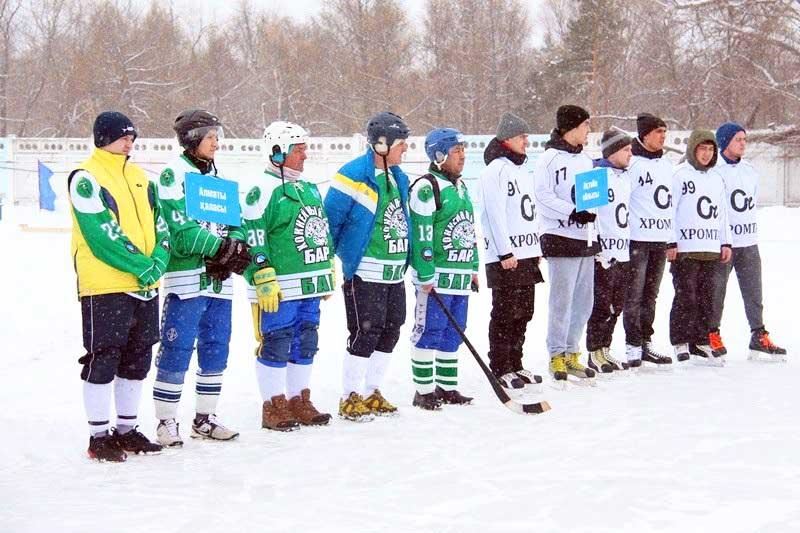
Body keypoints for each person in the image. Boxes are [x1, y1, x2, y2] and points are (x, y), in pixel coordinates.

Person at [69, 111, 169, 461]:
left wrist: (158, 259)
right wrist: (143, 265)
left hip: (145, 284)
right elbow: (102, 234)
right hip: (106, 285)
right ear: (102, 138)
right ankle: (98, 435)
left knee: (138, 355)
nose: (130, 142)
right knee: (104, 356)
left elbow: (161, 224)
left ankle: (126, 429)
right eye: (123, 136)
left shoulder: (142, 178)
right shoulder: (86, 178)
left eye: (132, 137)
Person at [152, 109, 251, 446]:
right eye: (211, 137)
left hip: (219, 282)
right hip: (187, 279)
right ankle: (166, 421)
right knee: (177, 347)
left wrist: (235, 247)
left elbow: (236, 220)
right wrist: (218, 248)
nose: (217, 143)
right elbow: (179, 227)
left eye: (217, 137)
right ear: (192, 139)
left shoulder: (218, 178)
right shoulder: (172, 174)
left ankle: (204, 418)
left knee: (216, 347)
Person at [241, 121, 334, 430]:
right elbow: (252, 234)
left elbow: (320, 229)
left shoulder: (307, 189)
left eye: (305, 149)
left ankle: (299, 399)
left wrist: (326, 266)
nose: (305, 156)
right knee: (277, 341)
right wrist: (261, 272)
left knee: (306, 339)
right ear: (277, 152)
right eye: (299, 150)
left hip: (308, 282)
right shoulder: (261, 189)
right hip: (279, 287)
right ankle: (274, 403)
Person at [324, 111, 411, 421]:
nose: (406, 150)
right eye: (402, 144)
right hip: (365, 272)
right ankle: (349, 396)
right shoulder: (353, 175)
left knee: (391, 331)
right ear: (382, 145)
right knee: (365, 332)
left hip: (393, 272)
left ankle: (372, 390)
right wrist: (331, 266)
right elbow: (330, 223)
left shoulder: (399, 177)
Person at [408, 127, 477, 410]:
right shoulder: (426, 188)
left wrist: (472, 266)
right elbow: (421, 233)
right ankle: (423, 390)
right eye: (455, 151)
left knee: (455, 330)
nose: (462, 156)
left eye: (463, 150)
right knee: (430, 330)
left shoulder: (460, 186)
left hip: (459, 275)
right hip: (435, 278)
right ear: (439, 156)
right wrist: (425, 273)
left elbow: (468, 230)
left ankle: (446, 386)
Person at [709, 122, 787, 360]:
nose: (743, 143)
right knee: (716, 292)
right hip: (724, 243)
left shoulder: (750, 170)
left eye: (744, 139)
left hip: (749, 240)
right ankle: (711, 333)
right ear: (725, 143)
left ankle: (758, 334)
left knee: (754, 291)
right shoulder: (714, 171)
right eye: (737, 139)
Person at [478, 112, 544, 390]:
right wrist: (505, 252)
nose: (526, 141)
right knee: (505, 312)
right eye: (521, 137)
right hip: (507, 256)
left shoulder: (521, 169)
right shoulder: (495, 170)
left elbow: (529, 211)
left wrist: (536, 246)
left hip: (527, 252)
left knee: (524, 312)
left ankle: (516, 362)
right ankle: (501, 365)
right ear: (506, 139)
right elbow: (494, 214)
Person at [534, 105, 598, 382]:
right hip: (560, 237)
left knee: (584, 302)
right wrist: (571, 211)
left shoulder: (585, 160)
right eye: (585, 126)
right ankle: (556, 354)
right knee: (562, 300)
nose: (588, 131)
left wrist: (593, 214)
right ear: (571, 127)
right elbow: (543, 196)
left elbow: (592, 198)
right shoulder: (548, 159)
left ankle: (573, 352)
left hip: (586, 238)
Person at [668, 130, 732, 364]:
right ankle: (680, 341)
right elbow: (670, 209)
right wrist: (671, 241)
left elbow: (723, 213)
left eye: (711, 149)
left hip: (711, 246)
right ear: (693, 149)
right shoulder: (679, 175)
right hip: (686, 247)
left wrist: (726, 241)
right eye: (702, 149)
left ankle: (700, 340)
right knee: (686, 296)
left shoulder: (716, 178)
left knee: (708, 297)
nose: (707, 154)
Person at [624, 113, 676, 367]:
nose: (663, 137)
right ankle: (632, 344)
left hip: (659, 239)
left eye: (665, 132)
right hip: (637, 239)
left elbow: (671, 205)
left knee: (651, 295)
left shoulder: (667, 165)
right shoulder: (632, 163)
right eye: (658, 132)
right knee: (633, 294)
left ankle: (646, 341)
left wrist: (671, 239)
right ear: (645, 135)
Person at [586, 130, 633, 374]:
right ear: (613, 151)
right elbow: (587, 216)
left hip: (623, 250)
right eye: (626, 149)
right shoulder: (596, 175)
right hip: (604, 253)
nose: (630, 154)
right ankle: (593, 350)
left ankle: (605, 347)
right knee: (601, 304)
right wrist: (596, 248)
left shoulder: (626, 177)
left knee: (617, 304)